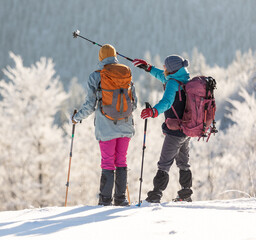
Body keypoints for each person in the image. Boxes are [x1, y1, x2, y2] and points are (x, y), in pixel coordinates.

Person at [71, 44, 137, 206]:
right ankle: (121, 199)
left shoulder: (95, 77)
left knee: (107, 161)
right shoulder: (126, 72)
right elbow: (134, 103)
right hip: (126, 125)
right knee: (121, 160)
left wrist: (76, 118)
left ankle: (105, 200)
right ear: (114, 56)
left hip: (106, 126)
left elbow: (90, 105)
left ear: (101, 57)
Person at [132, 55, 193, 203]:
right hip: (186, 129)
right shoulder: (184, 79)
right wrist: (149, 68)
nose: (164, 68)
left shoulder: (172, 83)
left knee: (164, 164)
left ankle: (155, 196)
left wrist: (153, 111)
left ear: (171, 69)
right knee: (183, 162)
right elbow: (163, 75)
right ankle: (185, 194)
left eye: (165, 66)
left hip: (174, 131)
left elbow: (166, 101)